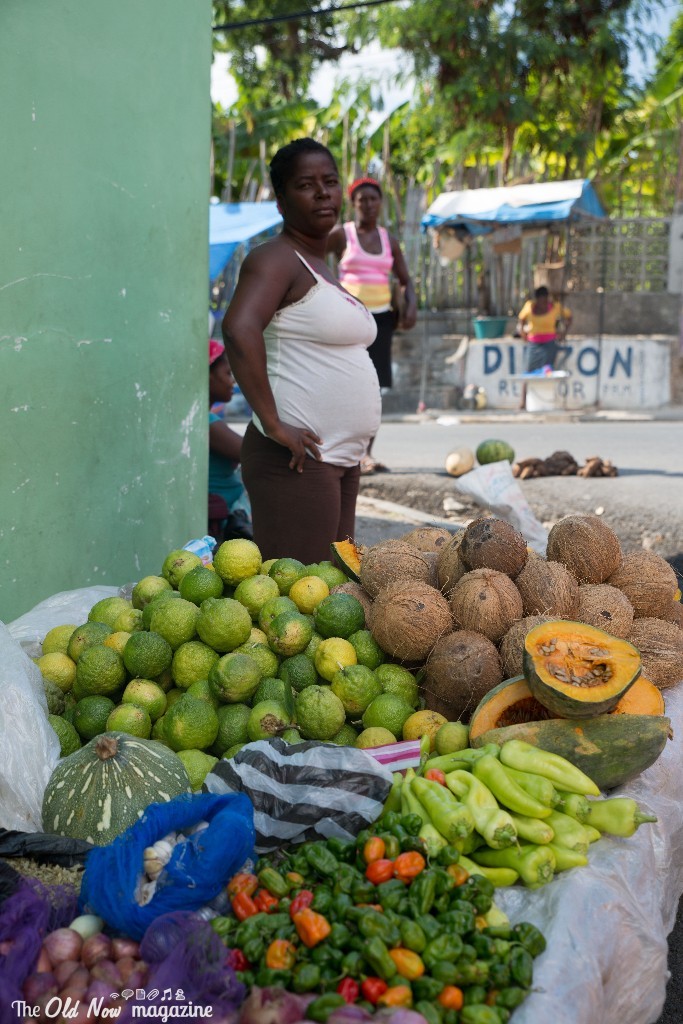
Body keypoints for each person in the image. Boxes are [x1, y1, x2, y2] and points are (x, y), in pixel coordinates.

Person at [221, 138, 380, 563]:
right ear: (281, 201)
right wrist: (273, 423)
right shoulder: (275, 258)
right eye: (306, 184)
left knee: (336, 596)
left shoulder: (319, 266)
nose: (323, 192)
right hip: (295, 460)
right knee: (302, 604)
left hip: (337, 461)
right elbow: (239, 328)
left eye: (329, 181)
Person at [328, 176, 417, 474]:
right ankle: (340, 451)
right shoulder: (342, 235)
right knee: (345, 383)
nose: (367, 204)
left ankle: (366, 454)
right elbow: (313, 261)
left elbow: (405, 280)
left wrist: (411, 305)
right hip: (348, 318)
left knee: (373, 387)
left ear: (380, 203)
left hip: (381, 321)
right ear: (353, 204)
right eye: (361, 199)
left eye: (373, 199)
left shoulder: (388, 239)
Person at [208, 339, 252, 541]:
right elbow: (251, 454)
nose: (232, 382)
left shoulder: (209, 419)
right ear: (207, 376)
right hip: (224, 521)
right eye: (227, 374)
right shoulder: (207, 424)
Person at [517, 286, 572, 372]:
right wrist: (522, 332)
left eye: (545, 300)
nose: (543, 303)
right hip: (533, 344)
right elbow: (521, 319)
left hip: (549, 344)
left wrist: (564, 333)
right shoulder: (529, 306)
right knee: (528, 371)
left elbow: (569, 317)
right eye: (541, 301)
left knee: (547, 371)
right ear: (537, 299)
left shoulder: (555, 306)